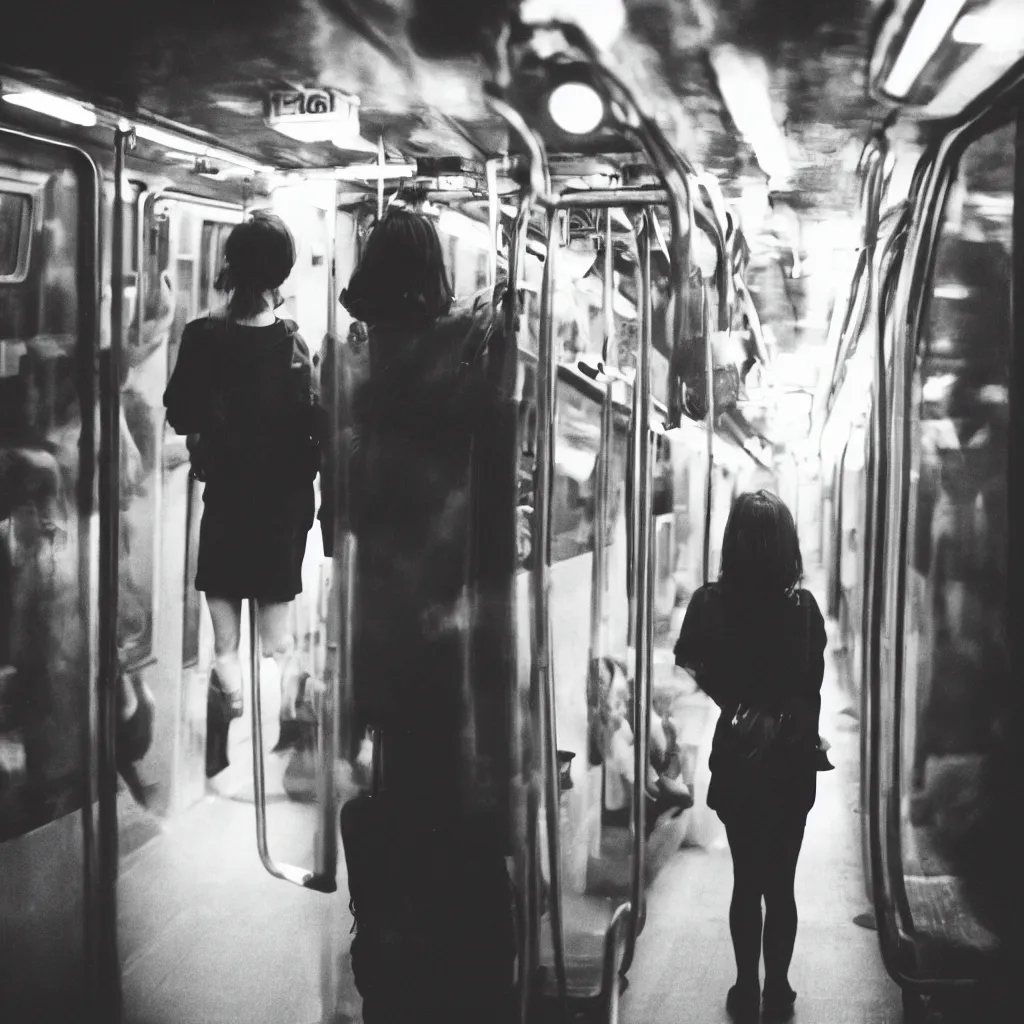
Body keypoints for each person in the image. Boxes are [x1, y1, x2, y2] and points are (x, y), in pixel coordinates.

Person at [163, 214, 322, 773]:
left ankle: (221, 722)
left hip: (228, 505)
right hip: (280, 514)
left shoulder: (204, 336)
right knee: (278, 644)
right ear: (282, 273)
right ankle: (294, 719)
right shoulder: (295, 346)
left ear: (229, 264)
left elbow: (180, 412)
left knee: (225, 645)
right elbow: (312, 436)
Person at [674, 490, 827, 1022]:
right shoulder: (803, 609)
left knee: (747, 881)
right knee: (780, 884)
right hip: (790, 761)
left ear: (733, 543)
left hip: (739, 759)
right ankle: (779, 990)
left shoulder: (711, 603)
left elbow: (694, 663)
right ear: (787, 545)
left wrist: (735, 698)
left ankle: (744, 987)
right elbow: (812, 685)